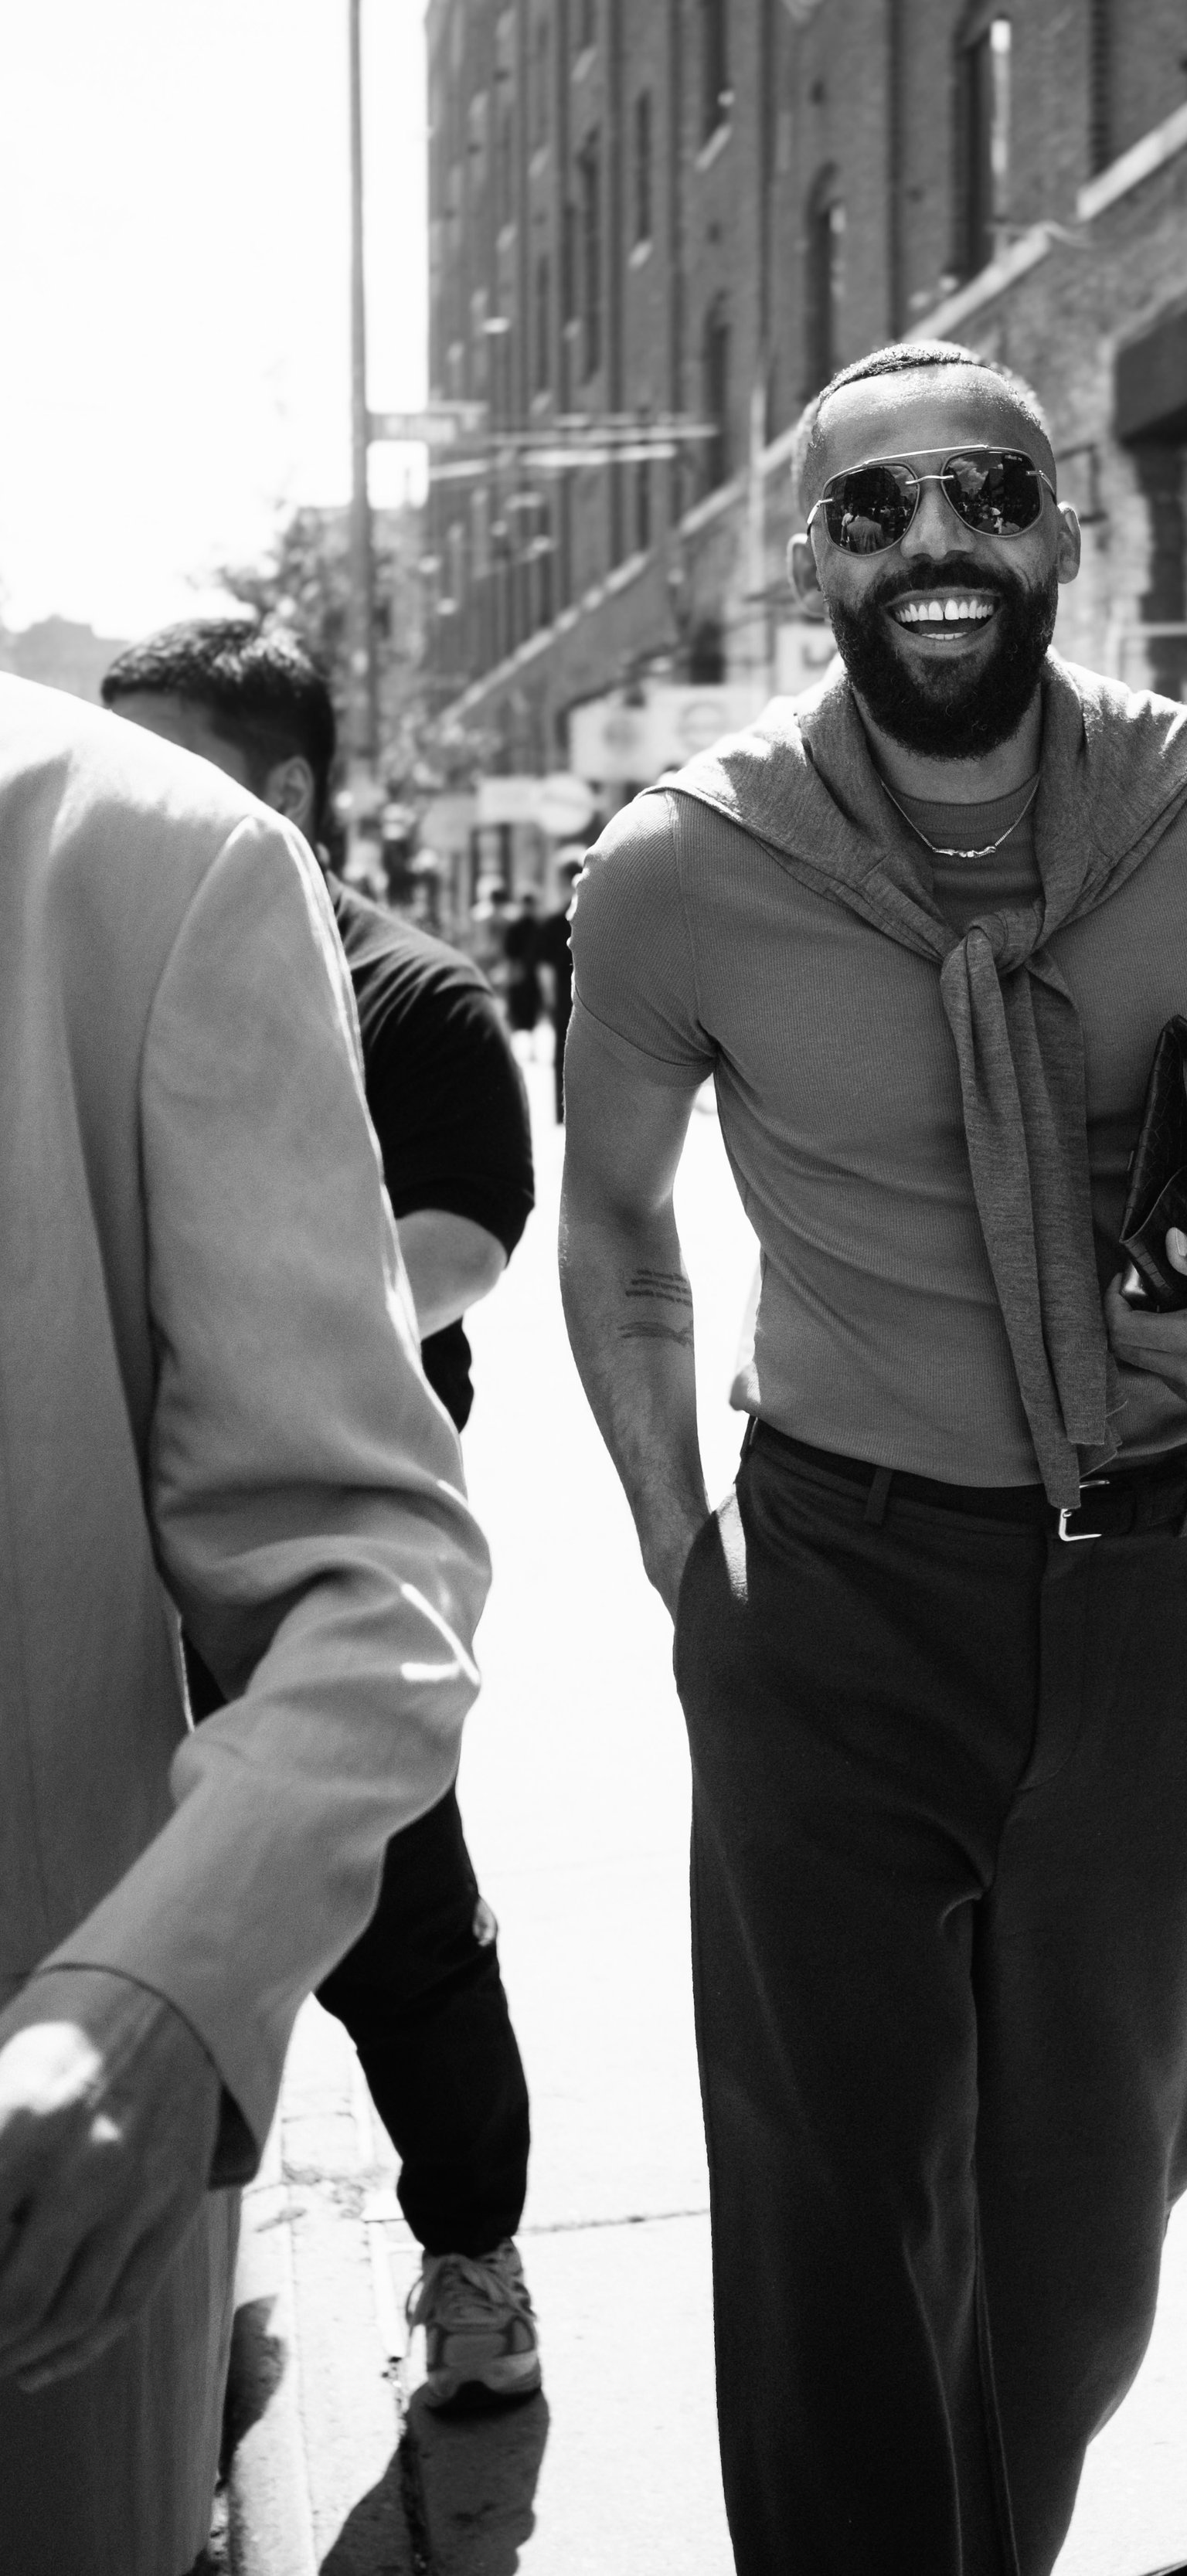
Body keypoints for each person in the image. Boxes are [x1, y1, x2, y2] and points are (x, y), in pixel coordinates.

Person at [562, 338, 1187, 2575]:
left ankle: (990, 2535)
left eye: (987, 495)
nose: (934, 545)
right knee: (833, 2204)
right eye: (876, 509)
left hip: (1151, 1588)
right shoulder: (680, 867)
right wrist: (692, 1577)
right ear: (808, 561)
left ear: (1071, 531)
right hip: (831, 1586)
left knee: (1099, 2180)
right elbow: (624, 1230)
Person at [0, 675, 490, 2574]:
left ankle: (478, 2254)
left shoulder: (149, 864)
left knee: (440, 1975)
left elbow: (376, 1553)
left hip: (40, 2177)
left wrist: (169, 1986)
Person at [102, 621, 542, 2412]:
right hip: (92, 1553)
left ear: (282, 788)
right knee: (123, 1904)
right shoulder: (92, 957)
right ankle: (162, 2279)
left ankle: (476, 2261)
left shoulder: (414, 994)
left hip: (314, 1572)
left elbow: (465, 1244)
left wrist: (221, 1329)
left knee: (401, 1934)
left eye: (159, 765)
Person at [537, 851, 584, 1123]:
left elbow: (543, 966)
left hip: (562, 997)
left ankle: (563, 1111)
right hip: (593, 998)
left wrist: (548, 999)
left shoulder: (554, 922)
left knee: (563, 1054)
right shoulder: (599, 917)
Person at [502, 886, 545, 1055]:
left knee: (529, 1009)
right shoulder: (529, 926)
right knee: (518, 1009)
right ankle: (514, 1046)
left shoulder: (536, 926)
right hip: (522, 973)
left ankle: (529, 1048)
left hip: (529, 974)